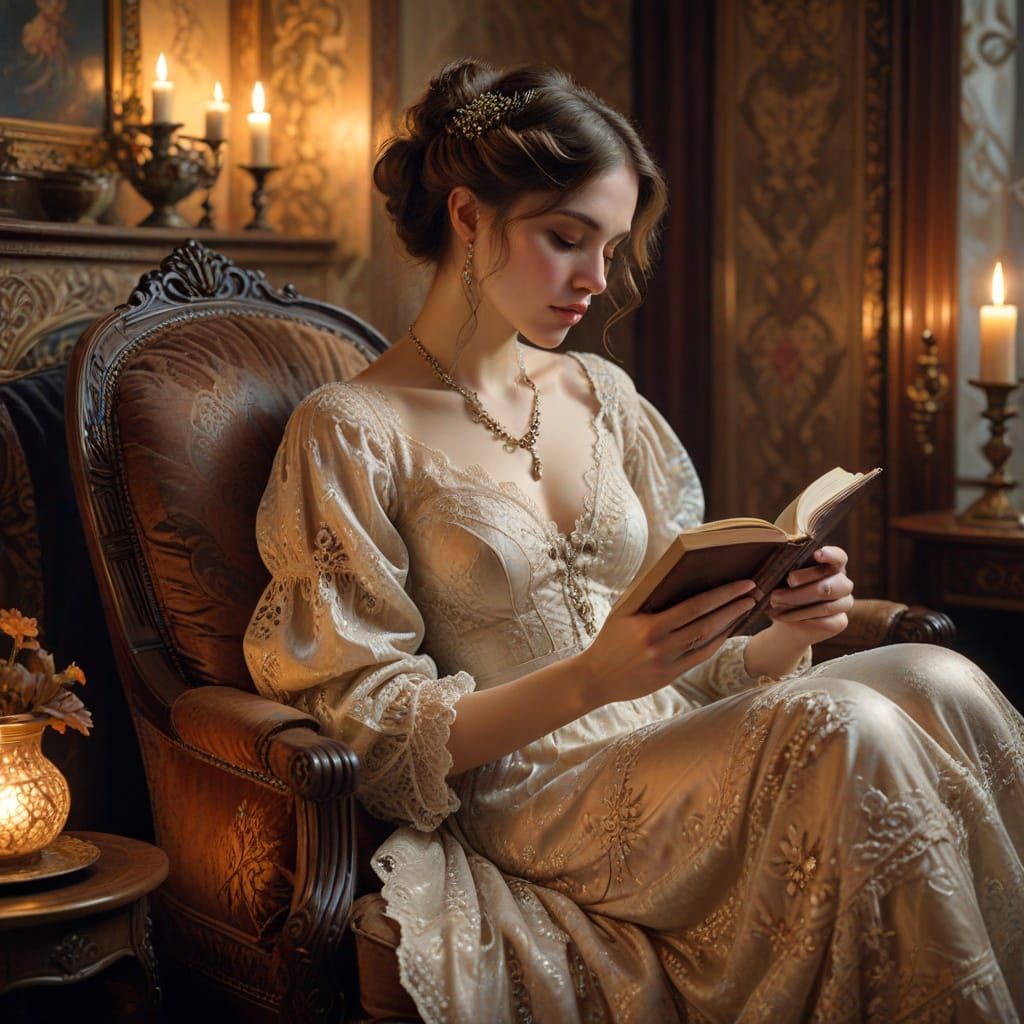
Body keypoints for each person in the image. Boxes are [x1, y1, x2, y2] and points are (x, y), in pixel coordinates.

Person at [244, 59, 1024, 1023]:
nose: (597, 281)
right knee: (847, 726)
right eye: (566, 238)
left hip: (674, 740)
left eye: (611, 247)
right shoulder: (351, 429)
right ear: (469, 216)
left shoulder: (604, 396)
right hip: (533, 788)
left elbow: (696, 658)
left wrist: (785, 626)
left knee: (938, 681)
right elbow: (361, 717)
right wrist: (589, 681)